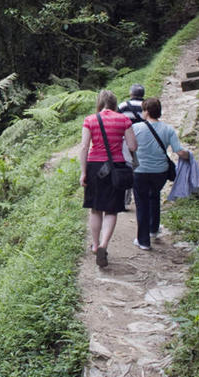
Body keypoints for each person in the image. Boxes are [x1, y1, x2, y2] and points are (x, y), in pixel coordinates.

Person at [80, 89, 138, 268]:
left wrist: (83, 173)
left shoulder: (90, 120)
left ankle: (96, 245)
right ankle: (105, 244)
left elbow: (84, 147)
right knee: (111, 210)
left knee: (95, 209)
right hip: (116, 168)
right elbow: (132, 146)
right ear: (114, 103)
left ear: (100, 102)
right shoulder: (124, 120)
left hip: (95, 167)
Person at [131, 98, 189, 250]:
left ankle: (143, 241)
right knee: (154, 196)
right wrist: (190, 157)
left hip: (140, 172)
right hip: (160, 173)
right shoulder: (168, 129)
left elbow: (128, 147)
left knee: (141, 203)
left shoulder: (136, 128)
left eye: (143, 110)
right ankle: (153, 229)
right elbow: (179, 151)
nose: (142, 113)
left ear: (147, 112)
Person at [118, 83, 145, 209]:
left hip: (126, 142)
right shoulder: (147, 106)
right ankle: (141, 198)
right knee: (140, 169)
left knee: (127, 169)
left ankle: (124, 201)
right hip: (143, 142)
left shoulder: (123, 106)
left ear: (131, 94)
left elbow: (116, 121)